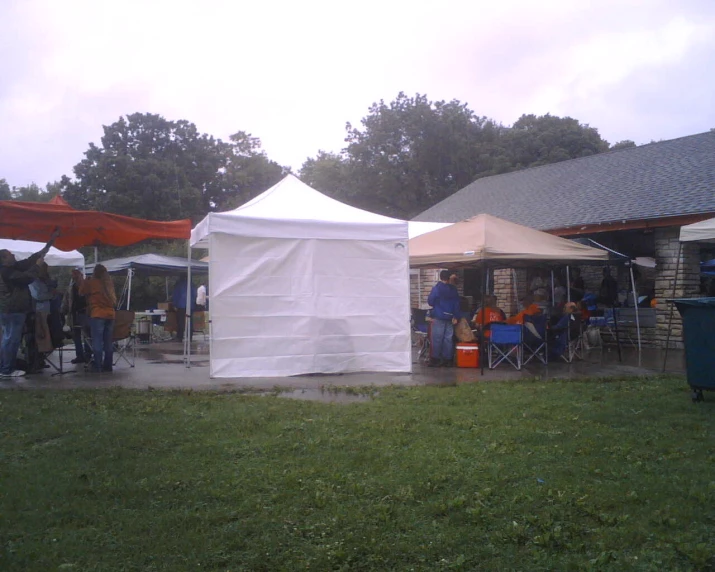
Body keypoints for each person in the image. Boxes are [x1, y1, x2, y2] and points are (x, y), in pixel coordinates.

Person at [0, 231, 58, 378]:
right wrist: (38, 267)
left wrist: (49, 243)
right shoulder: (6, 272)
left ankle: (4, 367)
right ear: (3, 260)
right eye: (9, 254)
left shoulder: (11, 268)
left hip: (10, 311)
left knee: (7, 339)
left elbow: (30, 260)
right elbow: (26, 278)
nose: (13, 255)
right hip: (13, 310)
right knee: (11, 340)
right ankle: (6, 370)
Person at [78, 264, 117, 373]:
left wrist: (83, 280)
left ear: (95, 272)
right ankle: (108, 365)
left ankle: (97, 365)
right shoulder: (109, 283)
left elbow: (81, 292)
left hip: (97, 314)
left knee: (97, 341)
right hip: (110, 314)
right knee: (108, 341)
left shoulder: (91, 282)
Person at [427, 270, 462, 367]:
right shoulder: (453, 289)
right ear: (448, 278)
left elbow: (430, 302)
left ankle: (436, 359)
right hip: (450, 317)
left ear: (440, 277)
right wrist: (456, 316)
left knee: (437, 338)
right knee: (448, 339)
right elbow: (457, 304)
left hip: (439, 316)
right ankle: (448, 359)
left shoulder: (437, 288)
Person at [29, 261, 57, 366]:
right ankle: (36, 360)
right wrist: (51, 294)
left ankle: (41, 359)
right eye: (44, 268)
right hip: (39, 311)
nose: (46, 271)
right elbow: (38, 296)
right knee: (40, 335)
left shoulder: (44, 281)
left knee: (46, 336)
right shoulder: (33, 282)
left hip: (47, 310)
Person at [62, 268, 91, 364]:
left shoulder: (86, 285)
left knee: (86, 335)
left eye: (76, 274)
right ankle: (80, 355)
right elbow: (67, 299)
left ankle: (87, 354)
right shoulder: (71, 287)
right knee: (77, 336)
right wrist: (64, 310)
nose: (74, 276)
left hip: (84, 313)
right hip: (74, 313)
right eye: (73, 275)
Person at [171, 275, 197, 343]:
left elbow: (176, 295)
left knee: (180, 322)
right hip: (190, 306)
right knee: (190, 322)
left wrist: (174, 304)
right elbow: (195, 295)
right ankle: (190, 337)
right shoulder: (192, 285)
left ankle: (180, 337)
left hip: (181, 305)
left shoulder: (179, 285)